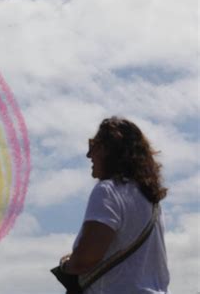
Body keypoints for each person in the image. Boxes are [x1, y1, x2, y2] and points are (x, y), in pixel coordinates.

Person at [58, 117, 170, 293]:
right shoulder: (150, 199)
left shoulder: (108, 190)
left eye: (93, 146)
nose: (89, 154)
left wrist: (66, 265)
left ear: (109, 149)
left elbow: (85, 260)